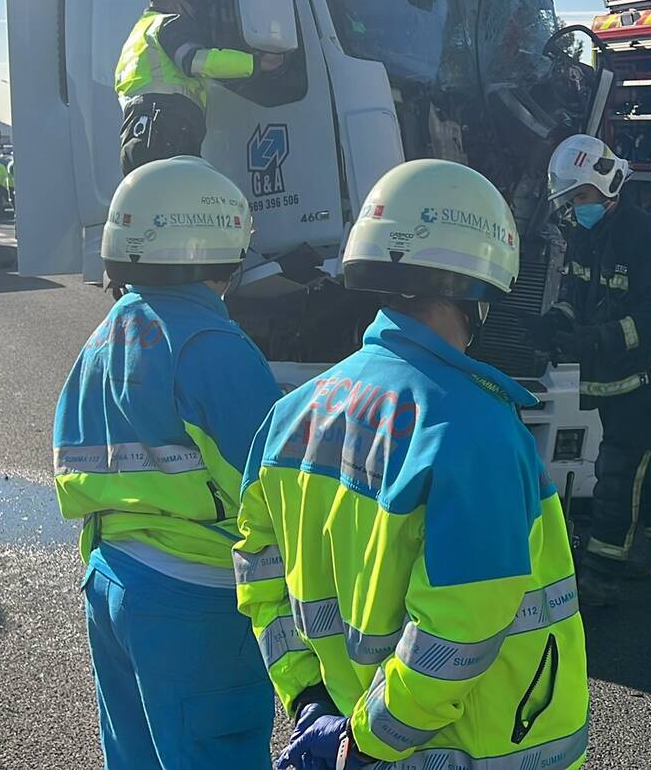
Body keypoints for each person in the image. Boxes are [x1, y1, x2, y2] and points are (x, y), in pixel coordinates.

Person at [233, 159, 590, 770]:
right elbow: (459, 629)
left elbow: (261, 570)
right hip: (472, 747)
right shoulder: (475, 432)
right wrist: (371, 740)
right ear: (477, 290)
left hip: (347, 725)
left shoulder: (292, 415)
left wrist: (309, 699)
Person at [52, 156, 281, 768]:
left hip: (113, 576)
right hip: (197, 597)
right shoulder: (214, 348)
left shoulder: (108, 335)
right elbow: (273, 488)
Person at [536, 134, 651, 606]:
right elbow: (576, 296)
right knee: (641, 462)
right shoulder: (584, 234)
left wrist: (597, 338)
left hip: (642, 378)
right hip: (607, 377)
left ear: (605, 187)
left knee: (616, 469)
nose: (576, 207)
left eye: (580, 197)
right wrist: (558, 321)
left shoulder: (646, 235)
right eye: (571, 200)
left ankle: (602, 573)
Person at [114, 0, 284, 176]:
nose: (193, 18)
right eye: (191, 11)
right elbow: (196, 60)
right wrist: (255, 63)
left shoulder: (137, 36)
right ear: (176, 4)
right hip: (167, 125)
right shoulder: (169, 22)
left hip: (139, 132)